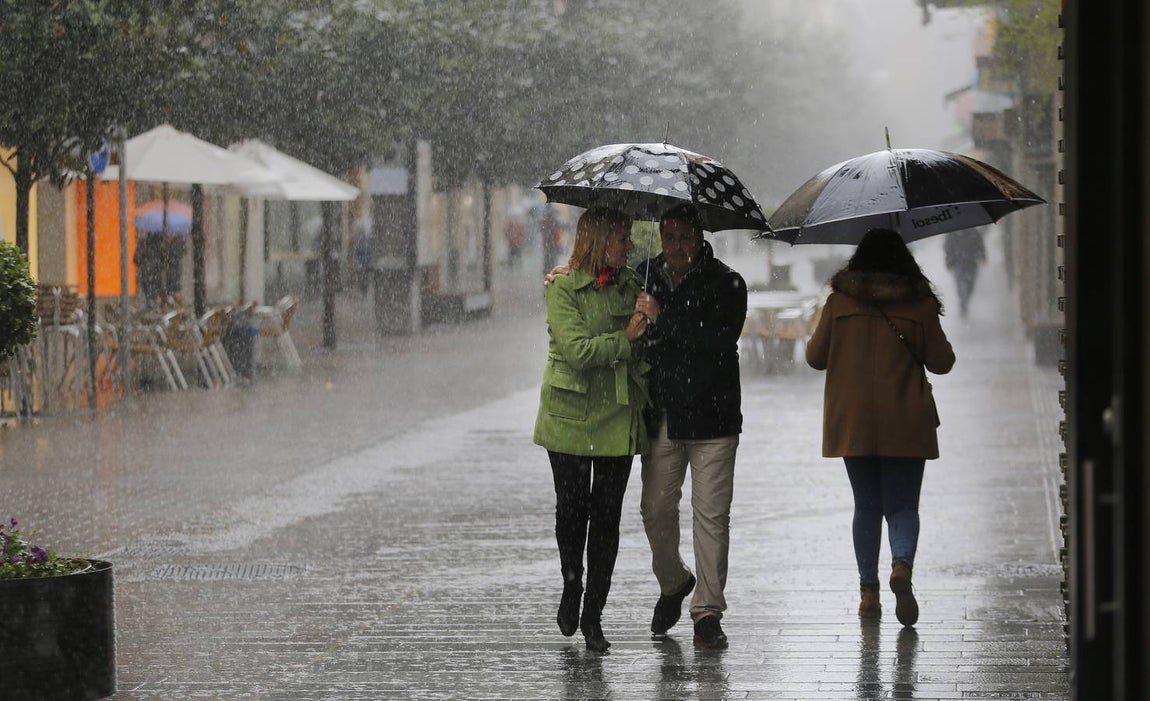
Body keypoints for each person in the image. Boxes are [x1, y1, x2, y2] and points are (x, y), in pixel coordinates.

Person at [805, 228, 956, 627]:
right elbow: (943, 362)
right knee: (903, 504)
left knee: (867, 505)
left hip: (853, 421)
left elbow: (814, 358)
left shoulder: (839, 302)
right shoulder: (918, 303)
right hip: (905, 420)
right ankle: (901, 566)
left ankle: (868, 592)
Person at [533, 206, 660, 653]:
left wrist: (651, 318)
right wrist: (626, 336)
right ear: (596, 240)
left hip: (616, 415)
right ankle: (572, 582)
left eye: (628, 238)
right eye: (620, 238)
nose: (628, 246)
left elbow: (648, 345)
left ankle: (594, 615)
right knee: (572, 510)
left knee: (606, 518)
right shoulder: (562, 287)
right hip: (568, 415)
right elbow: (578, 351)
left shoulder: (634, 287)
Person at [635, 204, 746, 650]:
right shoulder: (644, 277)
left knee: (712, 516)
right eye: (669, 235)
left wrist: (665, 318)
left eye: (684, 236)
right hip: (663, 413)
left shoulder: (727, 282)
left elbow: (716, 340)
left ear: (700, 237)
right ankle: (674, 581)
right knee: (655, 508)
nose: (676, 245)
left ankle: (707, 611)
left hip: (713, 415)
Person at [943, 228, 986, 318]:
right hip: (958, 264)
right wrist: (949, 262)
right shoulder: (952, 234)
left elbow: (980, 245)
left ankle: (965, 300)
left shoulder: (974, 232)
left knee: (970, 286)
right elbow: (948, 249)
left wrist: (983, 257)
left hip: (971, 263)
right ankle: (963, 303)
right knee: (960, 286)